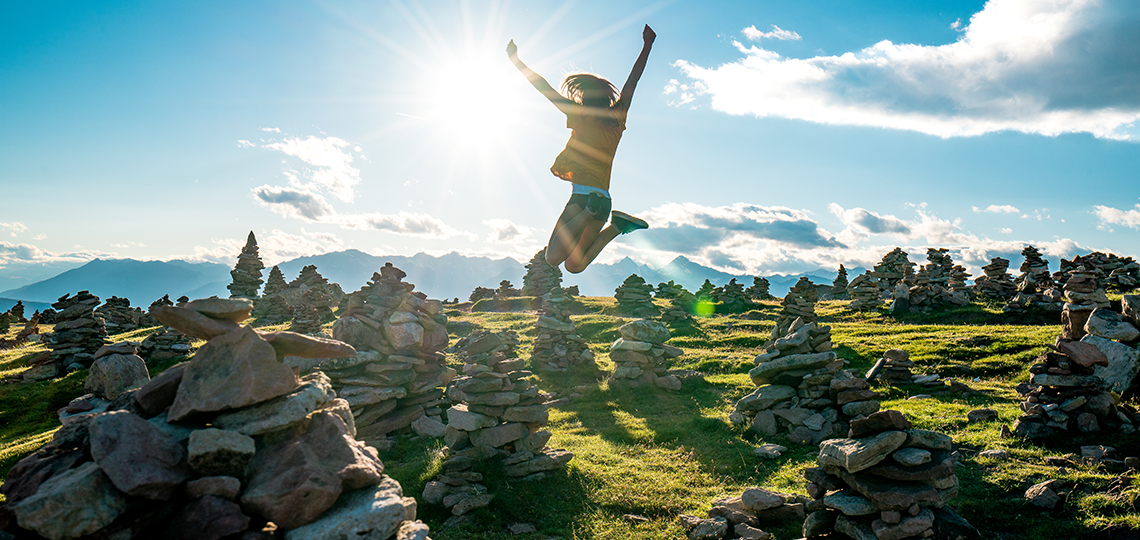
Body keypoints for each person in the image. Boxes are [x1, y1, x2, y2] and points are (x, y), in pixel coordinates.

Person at [507, 24, 655, 274]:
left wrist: (516, 61)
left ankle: (589, 210)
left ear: (583, 97)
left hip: (583, 197)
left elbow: (543, 87)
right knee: (574, 265)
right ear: (607, 97)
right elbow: (633, 79)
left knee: (553, 258)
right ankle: (617, 226)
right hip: (603, 199)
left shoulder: (579, 114)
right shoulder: (617, 116)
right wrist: (647, 46)